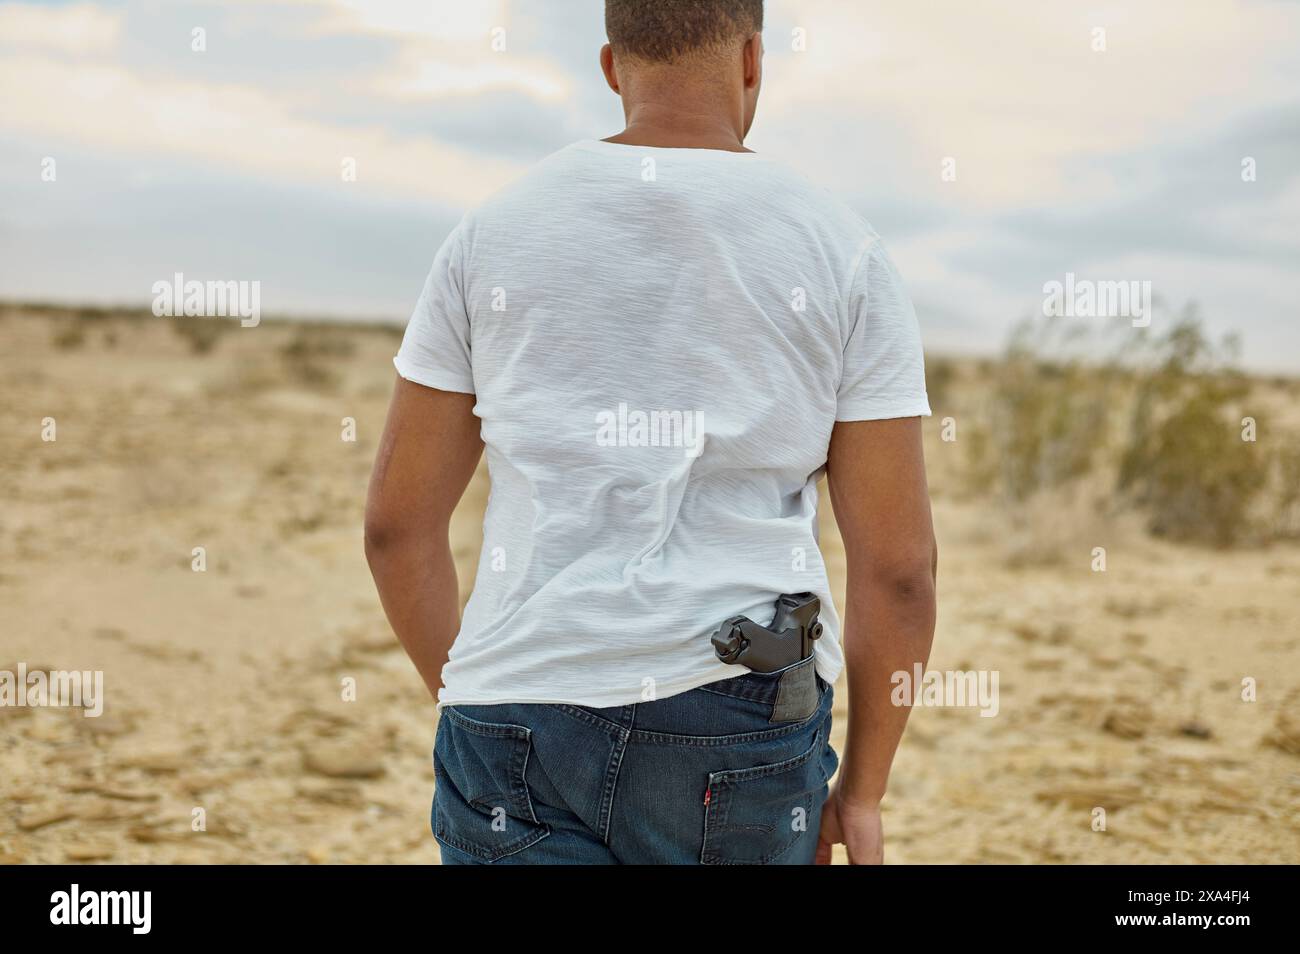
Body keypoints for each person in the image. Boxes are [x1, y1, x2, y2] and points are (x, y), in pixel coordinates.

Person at [364, 0, 937, 865]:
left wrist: (483, 693)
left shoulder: (489, 234)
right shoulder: (841, 251)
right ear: (752, 61)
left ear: (611, 67)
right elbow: (898, 571)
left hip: (517, 707)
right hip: (737, 714)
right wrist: (860, 791)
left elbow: (395, 530)